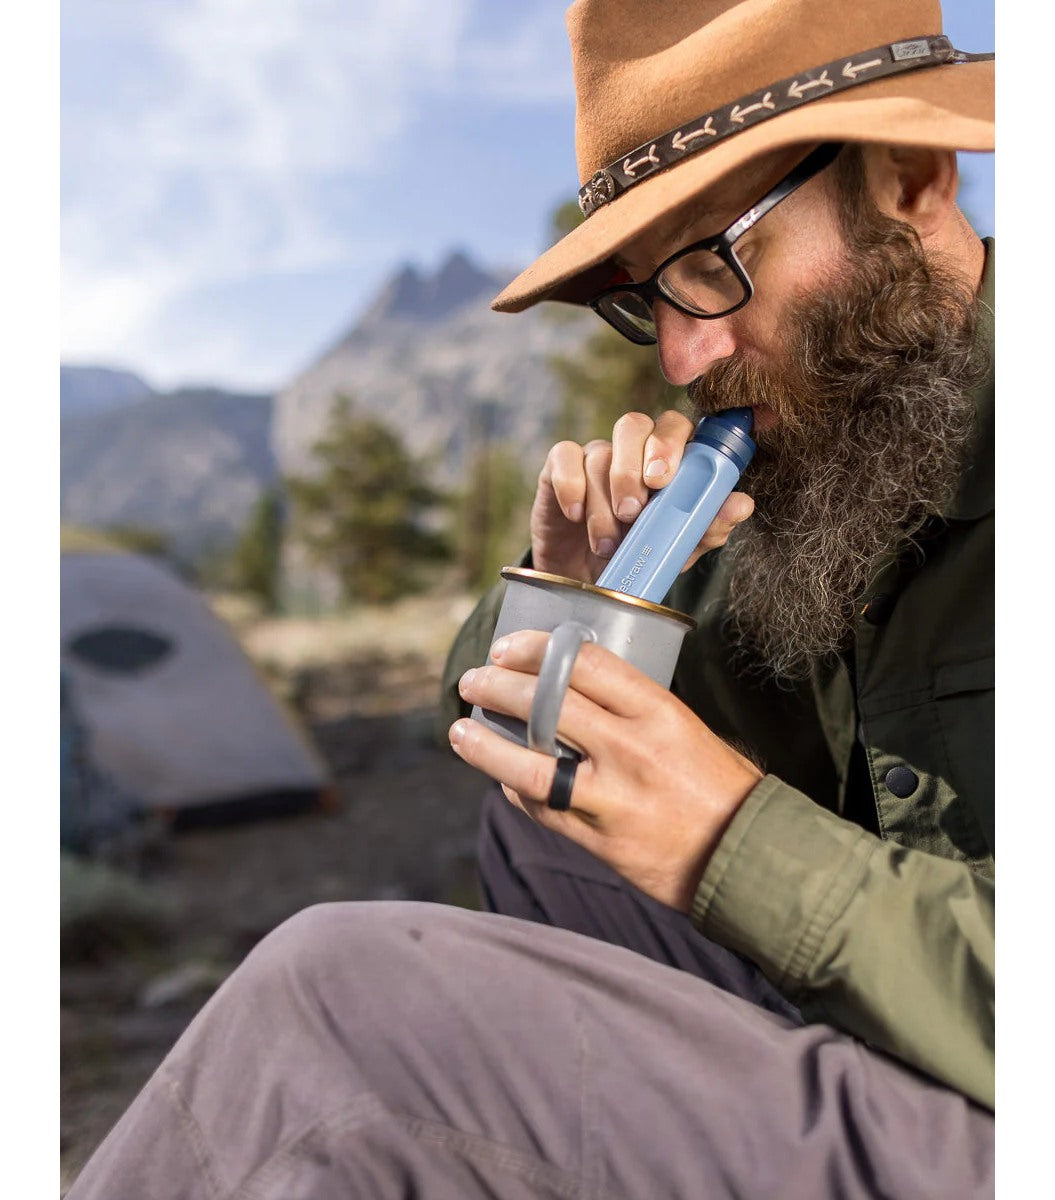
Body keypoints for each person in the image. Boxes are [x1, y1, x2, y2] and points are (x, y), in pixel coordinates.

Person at [66, 2, 995, 1197]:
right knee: (553, 830)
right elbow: (528, 735)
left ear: (910, 176)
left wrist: (729, 839)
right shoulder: (849, 459)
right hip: (920, 1042)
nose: (677, 357)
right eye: (643, 298)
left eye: (713, 263)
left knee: (343, 1016)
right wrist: (572, 598)